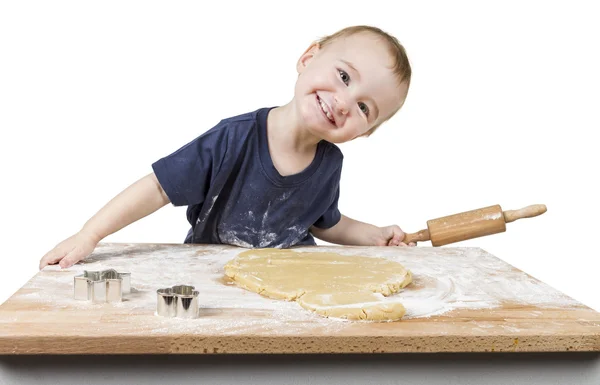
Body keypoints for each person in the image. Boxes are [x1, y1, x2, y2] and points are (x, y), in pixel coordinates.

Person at [39, 25, 416, 270]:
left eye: (365, 108)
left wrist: (372, 234)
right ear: (308, 58)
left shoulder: (329, 163)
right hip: (212, 277)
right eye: (344, 76)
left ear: (365, 131)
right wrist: (89, 234)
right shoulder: (233, 138)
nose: (345, 102)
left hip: (293, 285)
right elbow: (157, 188)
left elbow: (324, 223)